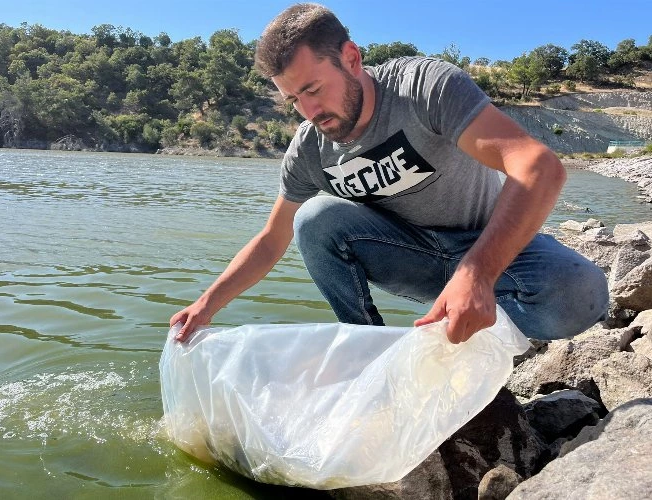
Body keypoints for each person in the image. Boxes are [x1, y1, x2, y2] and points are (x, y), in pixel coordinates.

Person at [170, 3, 609, 344]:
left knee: (582, 296)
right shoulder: (309, 148)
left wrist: (477, 274)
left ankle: (479, 331)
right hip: (409, 255)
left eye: (313, 89)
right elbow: (272, 239)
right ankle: (369, 346)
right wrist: (207, 305)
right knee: (315, 218)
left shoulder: (424, 87)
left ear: (351, 58)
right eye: (293, 100)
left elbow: (538, 166)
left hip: (488, 247)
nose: (308, 111)